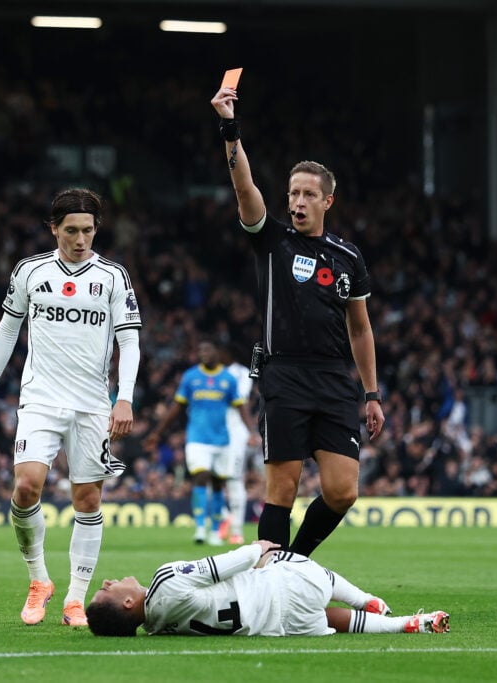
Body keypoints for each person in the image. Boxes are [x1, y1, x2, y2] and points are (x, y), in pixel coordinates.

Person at [210, 84, 385, 556]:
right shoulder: (271, 240)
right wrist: (231, 131)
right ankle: (268, 582)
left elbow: (361, 329)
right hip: (284, 373)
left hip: (333, 378)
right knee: (281, 490)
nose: (298, 201)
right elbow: (244, 186)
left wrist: (371, 393)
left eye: (309, 194)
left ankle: (296, 560)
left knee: (343, 490)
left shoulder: (348, 257)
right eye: (293, 193)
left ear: (328, 201)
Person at [0, 188, 141, 628]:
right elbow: (7, 330)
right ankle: (38, 581)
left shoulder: (113, 276)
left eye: (88, 230)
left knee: (87, 499)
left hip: (91, 405)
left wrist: (123, 396)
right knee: (27, 486)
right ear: (54, 228)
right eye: (71, 230)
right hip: (41, 399)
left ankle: (74, 598)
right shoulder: (30, 271)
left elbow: (129, 339)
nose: (81, 239)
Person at [86, 540, 450, 637]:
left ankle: (405, 624)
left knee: (328, 619)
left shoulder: (156, 627)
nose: (106, 582)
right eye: (107, 591)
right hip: (282, 585)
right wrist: (258, 549)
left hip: (276, 625)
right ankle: (367, 599)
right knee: (289, 562)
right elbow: (222, 566)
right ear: (129, 602)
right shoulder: (165, 579)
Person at [143, 340, 256, 545]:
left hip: (222, 439)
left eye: (207, 350)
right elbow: (176, 408)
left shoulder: (228, 379)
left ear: (218, 353)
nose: (203, 354)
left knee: (218, 483)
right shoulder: (191, 377)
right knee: (201, 475)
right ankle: (200, 528)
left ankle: (215, 531)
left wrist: (251, 432)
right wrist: (157, 433)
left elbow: (241, 407)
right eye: (200, 350)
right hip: (197, 438)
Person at [218, 342, 255, 545]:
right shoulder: (213, 373)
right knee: (206, 477)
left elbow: (240, 401)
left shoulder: (241, 373)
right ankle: (226, 517)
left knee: (233, 479)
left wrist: (250, 431)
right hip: (213, 433)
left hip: (235, 433)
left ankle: (237, 530)